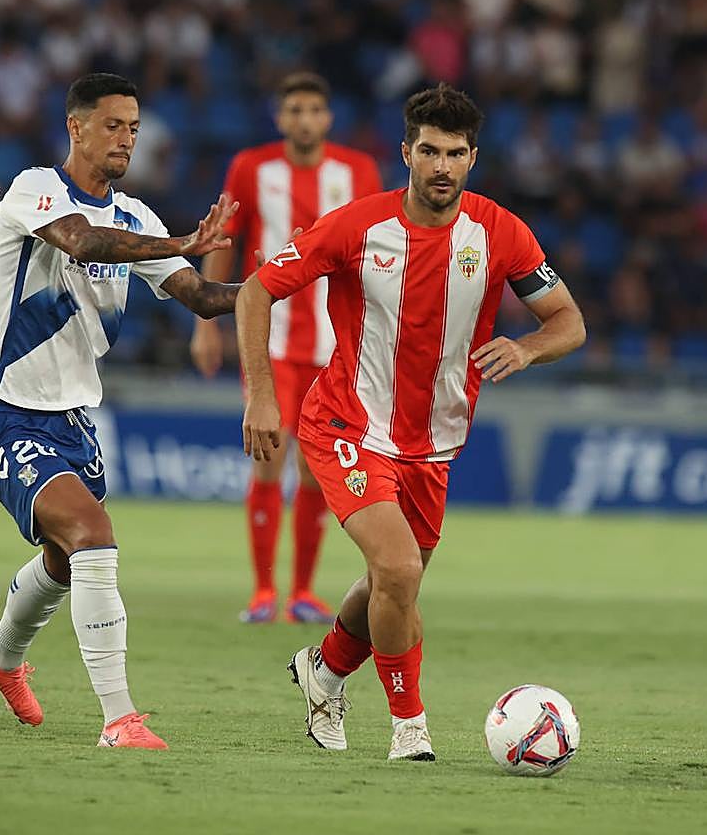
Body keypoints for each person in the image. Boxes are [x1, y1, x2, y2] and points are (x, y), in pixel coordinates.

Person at [236, 84, 586, 761]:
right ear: (406, 153)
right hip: (346, 425)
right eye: (429, 150)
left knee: (392, 583)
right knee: (397, 569)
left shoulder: (500, 234)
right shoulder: (355, 228)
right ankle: (410, 728)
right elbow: (257, 290)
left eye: (455, 152)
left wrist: (526, 347)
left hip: (433, 444)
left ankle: (326, 670)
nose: (442, 166)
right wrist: (260, 394)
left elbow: (569, 320)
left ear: (473, 158)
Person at [0, 73, 241, 750]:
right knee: (92, 535)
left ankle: (0, 662)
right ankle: (120, 719)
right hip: (6, 413)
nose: (126, 139)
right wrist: (181, 242)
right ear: (77, 128)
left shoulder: (139, 220)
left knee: (65, 561)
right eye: (113, 125)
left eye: (135, 128)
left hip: (75, 422)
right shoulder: (35, 189)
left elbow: (201, 298)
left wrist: (292, 281)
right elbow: (83, 242)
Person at [189, 73, 382, 625]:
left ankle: (302, 592)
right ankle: (263, 591)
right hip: (271, 343)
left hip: (335, 344)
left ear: (328, 118)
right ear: (280, 117)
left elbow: (378, 245)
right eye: (294, 109)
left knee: (319, 470)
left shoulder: (359, 173)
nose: (304, 119)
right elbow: (225, 240)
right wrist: (206, 323)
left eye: (314, 109)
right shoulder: (252, 168)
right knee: (270, 460)